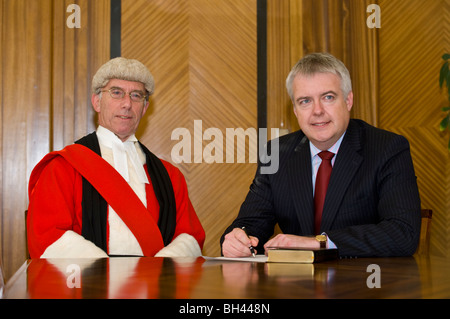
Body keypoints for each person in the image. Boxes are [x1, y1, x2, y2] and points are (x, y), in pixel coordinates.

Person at [221, 52, 421, 258]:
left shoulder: (387, 148)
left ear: (348, 100)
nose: (317, 111)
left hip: (365, 283)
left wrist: (320, 242)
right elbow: (251, 224)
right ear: (296, 110)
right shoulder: (276, 154)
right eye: (305, 101)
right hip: (294, 286)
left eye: (328, 97)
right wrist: (238, 239)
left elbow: (403, 233)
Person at [27, 57, 205, 258]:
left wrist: (159, 275)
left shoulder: (170, 176)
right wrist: (104, 276)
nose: (127, 104)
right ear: (97, 102)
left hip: (156, 286)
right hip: (90, 287)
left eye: (136, 95)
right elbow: (47, 235)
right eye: (116, 92)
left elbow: (189, 236)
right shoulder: (63, 167)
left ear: (145, 108)